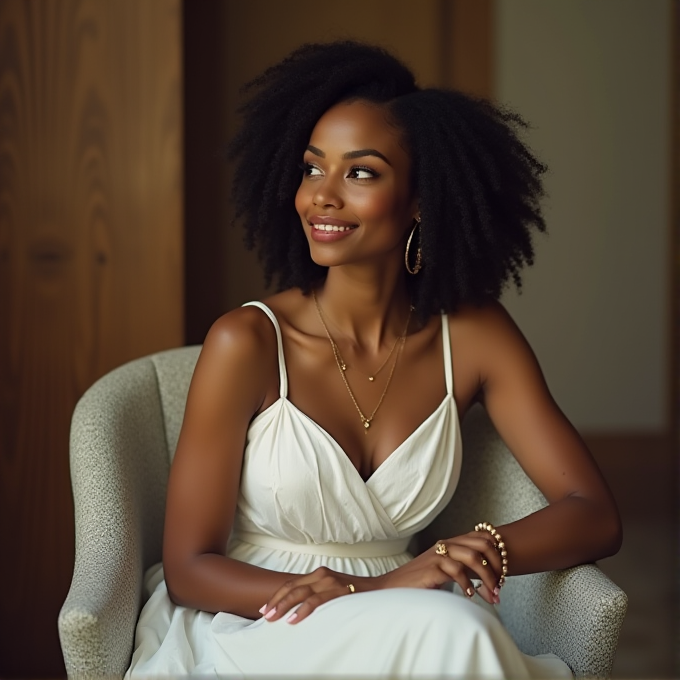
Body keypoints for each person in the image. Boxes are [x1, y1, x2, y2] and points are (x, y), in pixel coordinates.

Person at [125, 41, 622, 678]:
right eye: (312, 168)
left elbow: (594, 512)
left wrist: (476, 546)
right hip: (262, 620)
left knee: (453, 630)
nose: (322, 197)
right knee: (459, 632)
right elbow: (191, 569)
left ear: (421, 199)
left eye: (360, 172)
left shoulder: (473, 336)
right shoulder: (248, 341)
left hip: (410, 609)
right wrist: (361, 593)